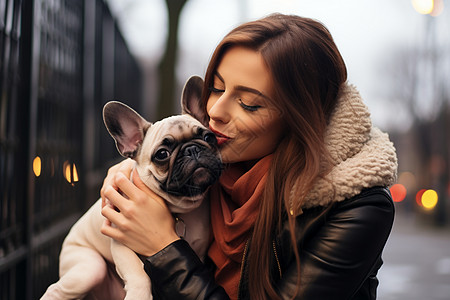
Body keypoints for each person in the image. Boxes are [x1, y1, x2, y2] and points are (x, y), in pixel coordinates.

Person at [100, 13, 397, 299]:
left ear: (300, 117)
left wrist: (163, 246)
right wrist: (130, 170)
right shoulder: (214, 170)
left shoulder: (358, 209)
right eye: (215, 89)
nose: (215, 111)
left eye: (249, 104)